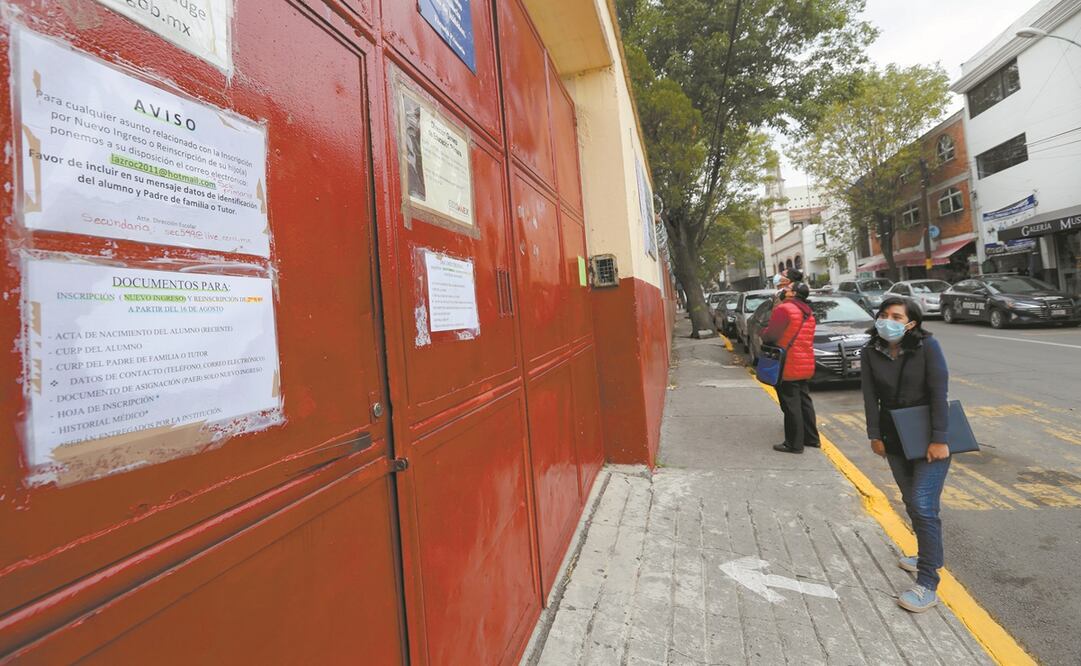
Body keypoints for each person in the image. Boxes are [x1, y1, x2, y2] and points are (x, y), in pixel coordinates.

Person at [861, 296, 951, 613]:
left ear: (911, 323)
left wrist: (940, 438)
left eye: (897, 316)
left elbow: (940, 391)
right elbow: (870, 396)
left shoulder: (927, 346)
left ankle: (927, 582)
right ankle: (927, 555)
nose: (889, 320)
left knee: (925, 506)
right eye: (884, 315)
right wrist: (874, 435)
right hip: (894, 437)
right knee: (911, 501)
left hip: (930, 437)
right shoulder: (870, 352)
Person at [760, 275, 819, 453]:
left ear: (793, 294)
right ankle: (812, 438)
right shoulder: (808, 312)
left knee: (790, 405)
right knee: (804, 402)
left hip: (788, 364)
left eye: (788, 288)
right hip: (805, 362)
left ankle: (794, 443)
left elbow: (771, 335)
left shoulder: (784, 309)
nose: (784, 290)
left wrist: (763, 332)